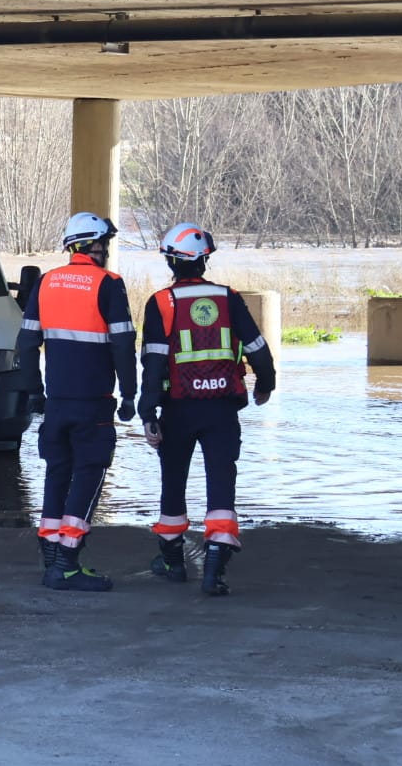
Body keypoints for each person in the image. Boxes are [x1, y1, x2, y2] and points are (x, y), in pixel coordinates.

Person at [137, 223, 276, 596]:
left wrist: (147, 411)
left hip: (178, 409)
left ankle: (172, 561)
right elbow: (257, 346)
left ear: (171, 260)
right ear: (205, 260)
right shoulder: (228, 298)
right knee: (221, 482)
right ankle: (215, 567)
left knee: (173, 482)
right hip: (221, 411)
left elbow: (153, 363)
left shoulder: (161, 303)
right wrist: (266, 382)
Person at [16, 212, 137, 591]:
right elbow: (122, 346)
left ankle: (51, 554)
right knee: (89, 475)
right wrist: (130, 394)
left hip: (56, 403)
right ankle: (67, 561)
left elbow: (26, 343)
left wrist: (33, 391)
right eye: (105, 244)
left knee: (57, 473)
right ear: (93, 245)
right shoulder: (109, 284)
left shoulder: (47, 282)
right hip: (94, 404)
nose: (106, 251)